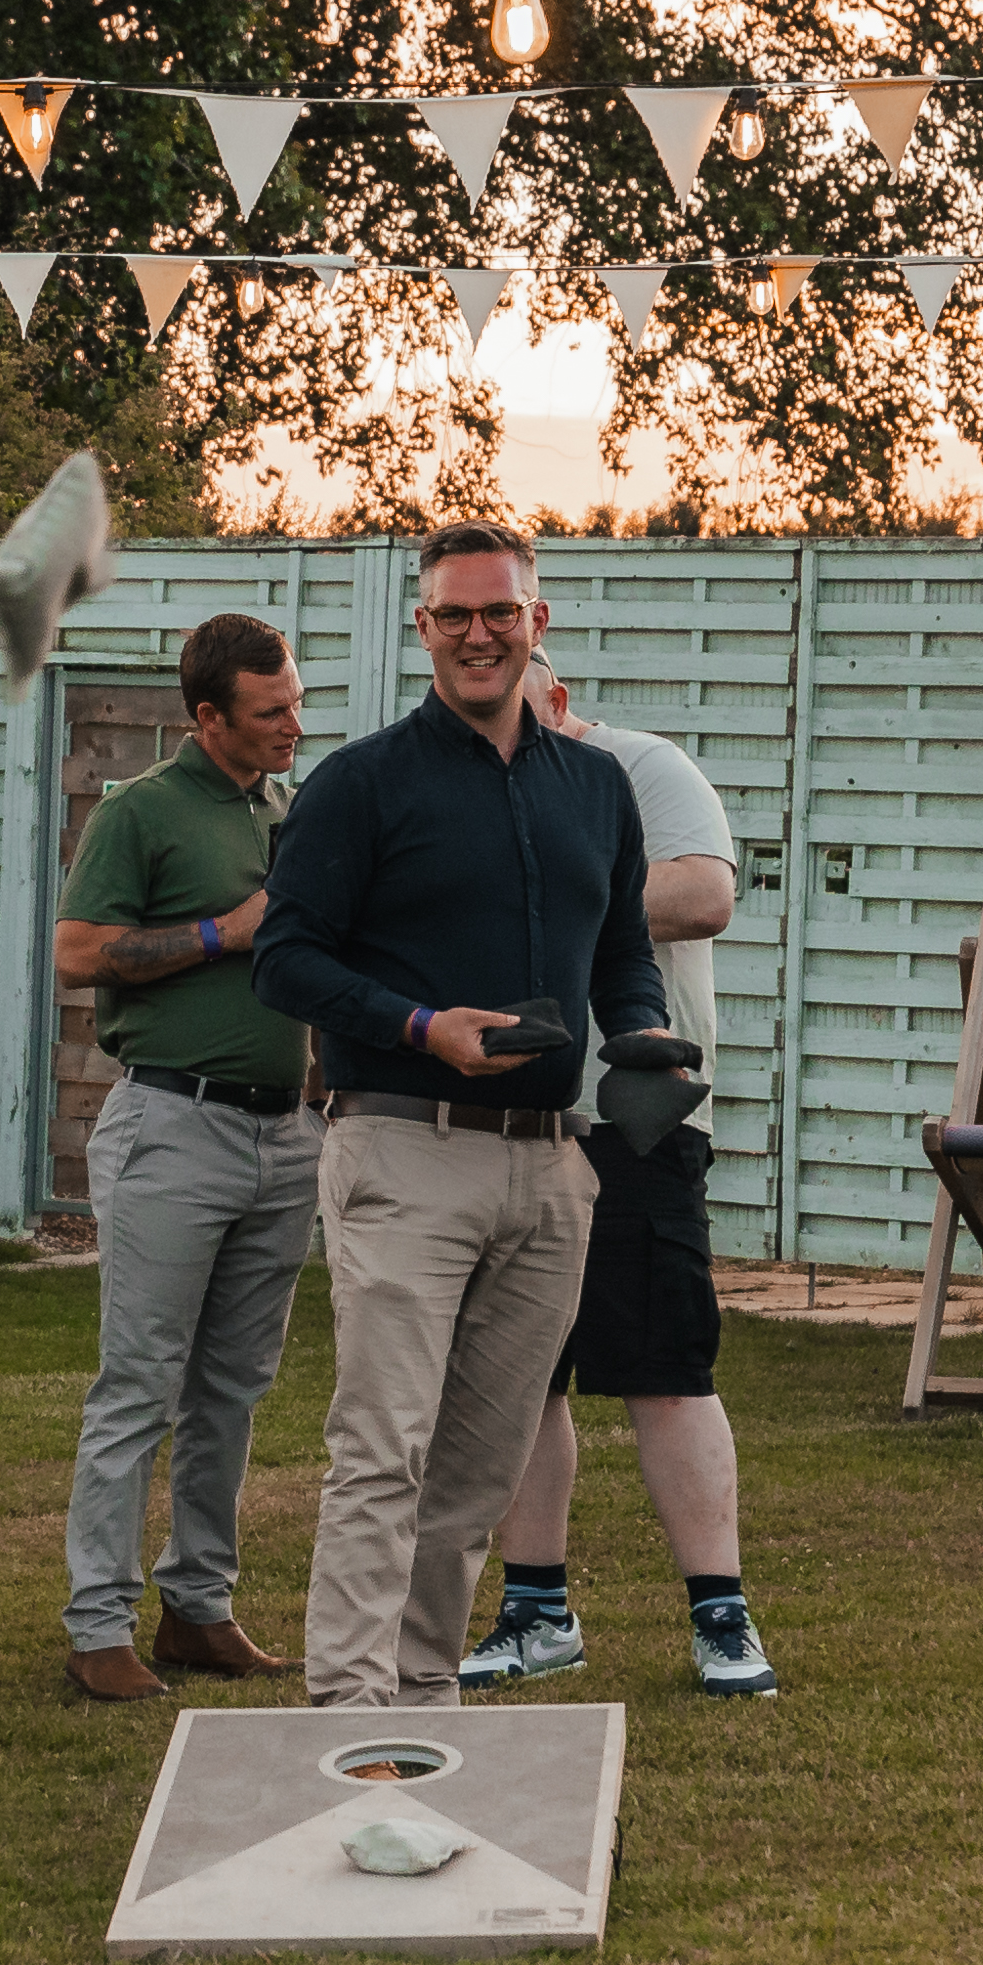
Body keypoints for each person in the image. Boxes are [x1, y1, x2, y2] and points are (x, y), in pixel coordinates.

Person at [250, 526, 661, 1708]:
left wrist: (640, 1037)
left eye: (500, 612)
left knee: (480, 1464)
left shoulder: (597, 787)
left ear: (541, 621)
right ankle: (348, 1707)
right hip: (401, 1145)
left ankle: (422, 1694)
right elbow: (284, 961)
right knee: (384, 1445)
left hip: (548, 1170)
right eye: (453, 615)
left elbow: (623, 954)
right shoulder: (362, 782)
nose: (479, 634)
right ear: (420, 628)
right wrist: (424, 1023)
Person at [464, 665, 779, 1698]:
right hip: (508, 1119)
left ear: (554, 702)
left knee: (666, 1367)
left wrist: (555, 888)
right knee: (523, 1378)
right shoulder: (474, 786)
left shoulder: (645, 768)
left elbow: (704, 894)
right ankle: (536, 1610)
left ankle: (720, 1615)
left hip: (631, 1121)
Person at [46, 611, 315, 1701]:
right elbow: (74, 953)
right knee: (139, 1385)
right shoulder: (142, 812)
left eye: (296, 700)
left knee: (234, 1390)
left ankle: (198, 1608)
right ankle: (96, 1623)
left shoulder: (285, 809)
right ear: (208, 716)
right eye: (271, 711)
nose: (295, 723)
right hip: (173, 1126)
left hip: (283, 1134)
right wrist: (221, 931)